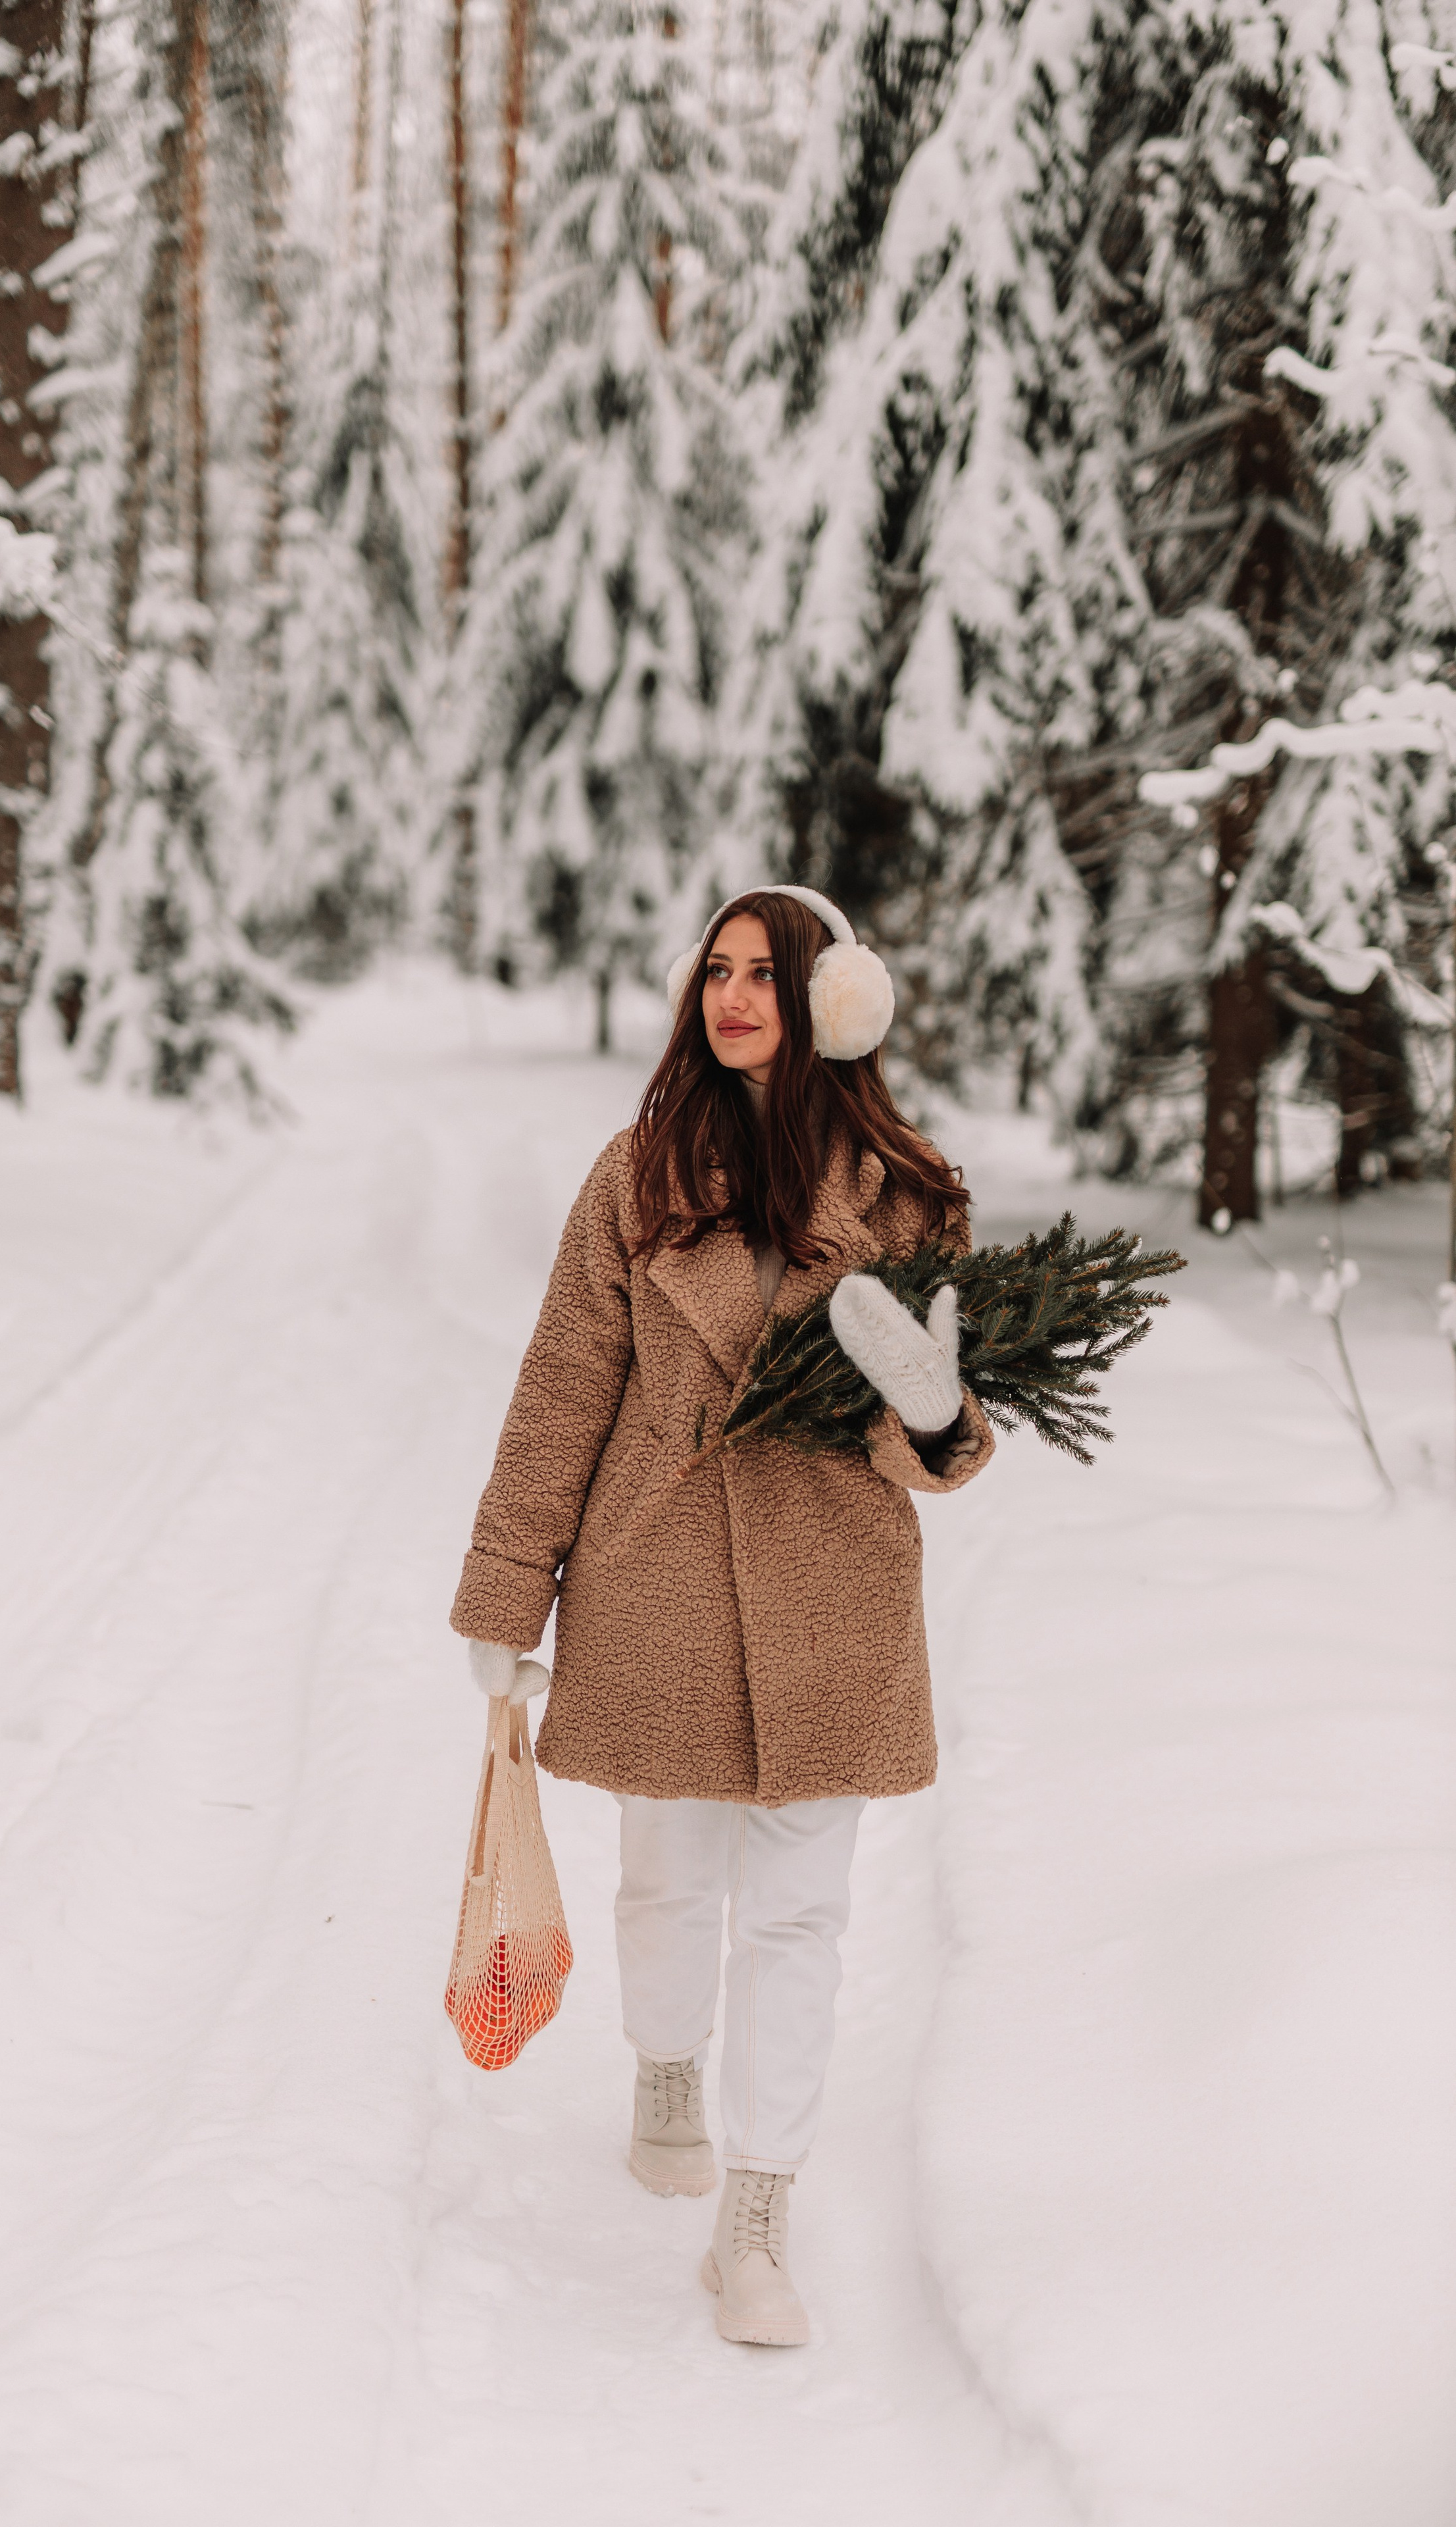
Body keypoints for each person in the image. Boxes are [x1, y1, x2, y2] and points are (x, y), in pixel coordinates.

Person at [450, 886, 994, 2347]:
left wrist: (935, 1420)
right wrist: (510, 1588)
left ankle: (752, 2220)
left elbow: (946, 1435)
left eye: (767, 974)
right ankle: (664, 2069)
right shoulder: (634, 1176)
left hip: (834, 1595)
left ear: (835, 1001)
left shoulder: (910, 1192)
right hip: (659, 1580)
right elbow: (562, 1391)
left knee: (802, 1917)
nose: (734, 996)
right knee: (666, 1884)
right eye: (717, 971)